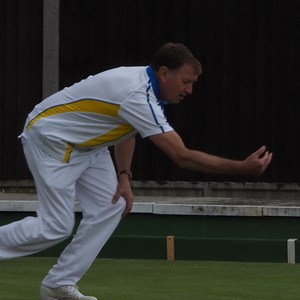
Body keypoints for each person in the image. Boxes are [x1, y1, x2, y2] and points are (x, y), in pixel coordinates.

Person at [0, 42, 272, 300]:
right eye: (186, 82)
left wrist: (123, 176)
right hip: (53, 139)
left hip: (88, 144)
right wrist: (242, 167)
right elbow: (182, 156)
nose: (189, 90)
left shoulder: (146, 90)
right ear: (164, 73)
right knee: (55, 226)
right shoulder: (137, 94)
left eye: (192, 84)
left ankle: (58, 284)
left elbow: (126, 130)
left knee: (111, 205)